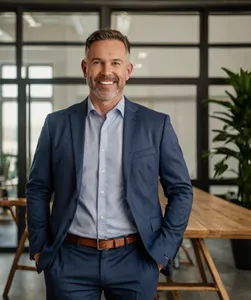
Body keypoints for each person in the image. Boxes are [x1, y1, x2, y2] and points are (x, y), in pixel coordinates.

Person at [26, 28, 193, 300]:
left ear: (127, 70)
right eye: (97, 62)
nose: (107, 71)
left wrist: (162, 252)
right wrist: (39, 247)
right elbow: (38, 188)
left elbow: (181, 190)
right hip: (69, 260)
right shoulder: (56, 125)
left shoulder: (156, 125)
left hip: (137, 259)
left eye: (115, 63)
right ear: (85, 68)